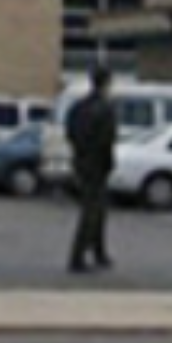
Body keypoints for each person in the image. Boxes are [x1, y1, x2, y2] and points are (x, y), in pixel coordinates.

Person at [65, 65, 118, 273]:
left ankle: (98, 251)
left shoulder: (78, 107)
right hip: (97, 164)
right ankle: (78, 256)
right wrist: (108, 163)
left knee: (97, 209)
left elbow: (70, 132)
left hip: (81, 161)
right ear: (107, 83)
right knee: (93, 211)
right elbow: (107, 140)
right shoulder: (105, 109)